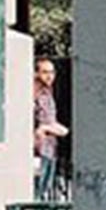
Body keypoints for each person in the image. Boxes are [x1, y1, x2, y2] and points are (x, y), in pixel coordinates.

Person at [33, 57, 68, 201]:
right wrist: (45, 129)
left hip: (50, 149)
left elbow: (49, 122)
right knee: (37, 192)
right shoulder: (35, 94)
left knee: (45, 190)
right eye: (45, 72)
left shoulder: (48, 94)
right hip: (39, 150)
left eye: (52, 72)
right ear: (36, 73)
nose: (49, 76)